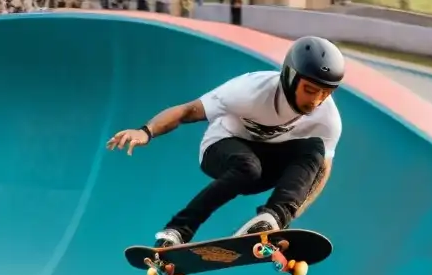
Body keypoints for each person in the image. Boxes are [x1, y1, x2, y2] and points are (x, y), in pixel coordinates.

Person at [106, 36, 344, 248]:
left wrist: (289, 216)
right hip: (220, 149)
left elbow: (320, 173)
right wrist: (146, 131)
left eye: (326, 93)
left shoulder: (328, 119)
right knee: (248, 166)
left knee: (314, 149)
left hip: (265, 165)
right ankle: (178, 229)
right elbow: (187, 111)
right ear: (290, 77)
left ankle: (272, 220)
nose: (316, 101)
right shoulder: (249, 91)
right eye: (310, 90)